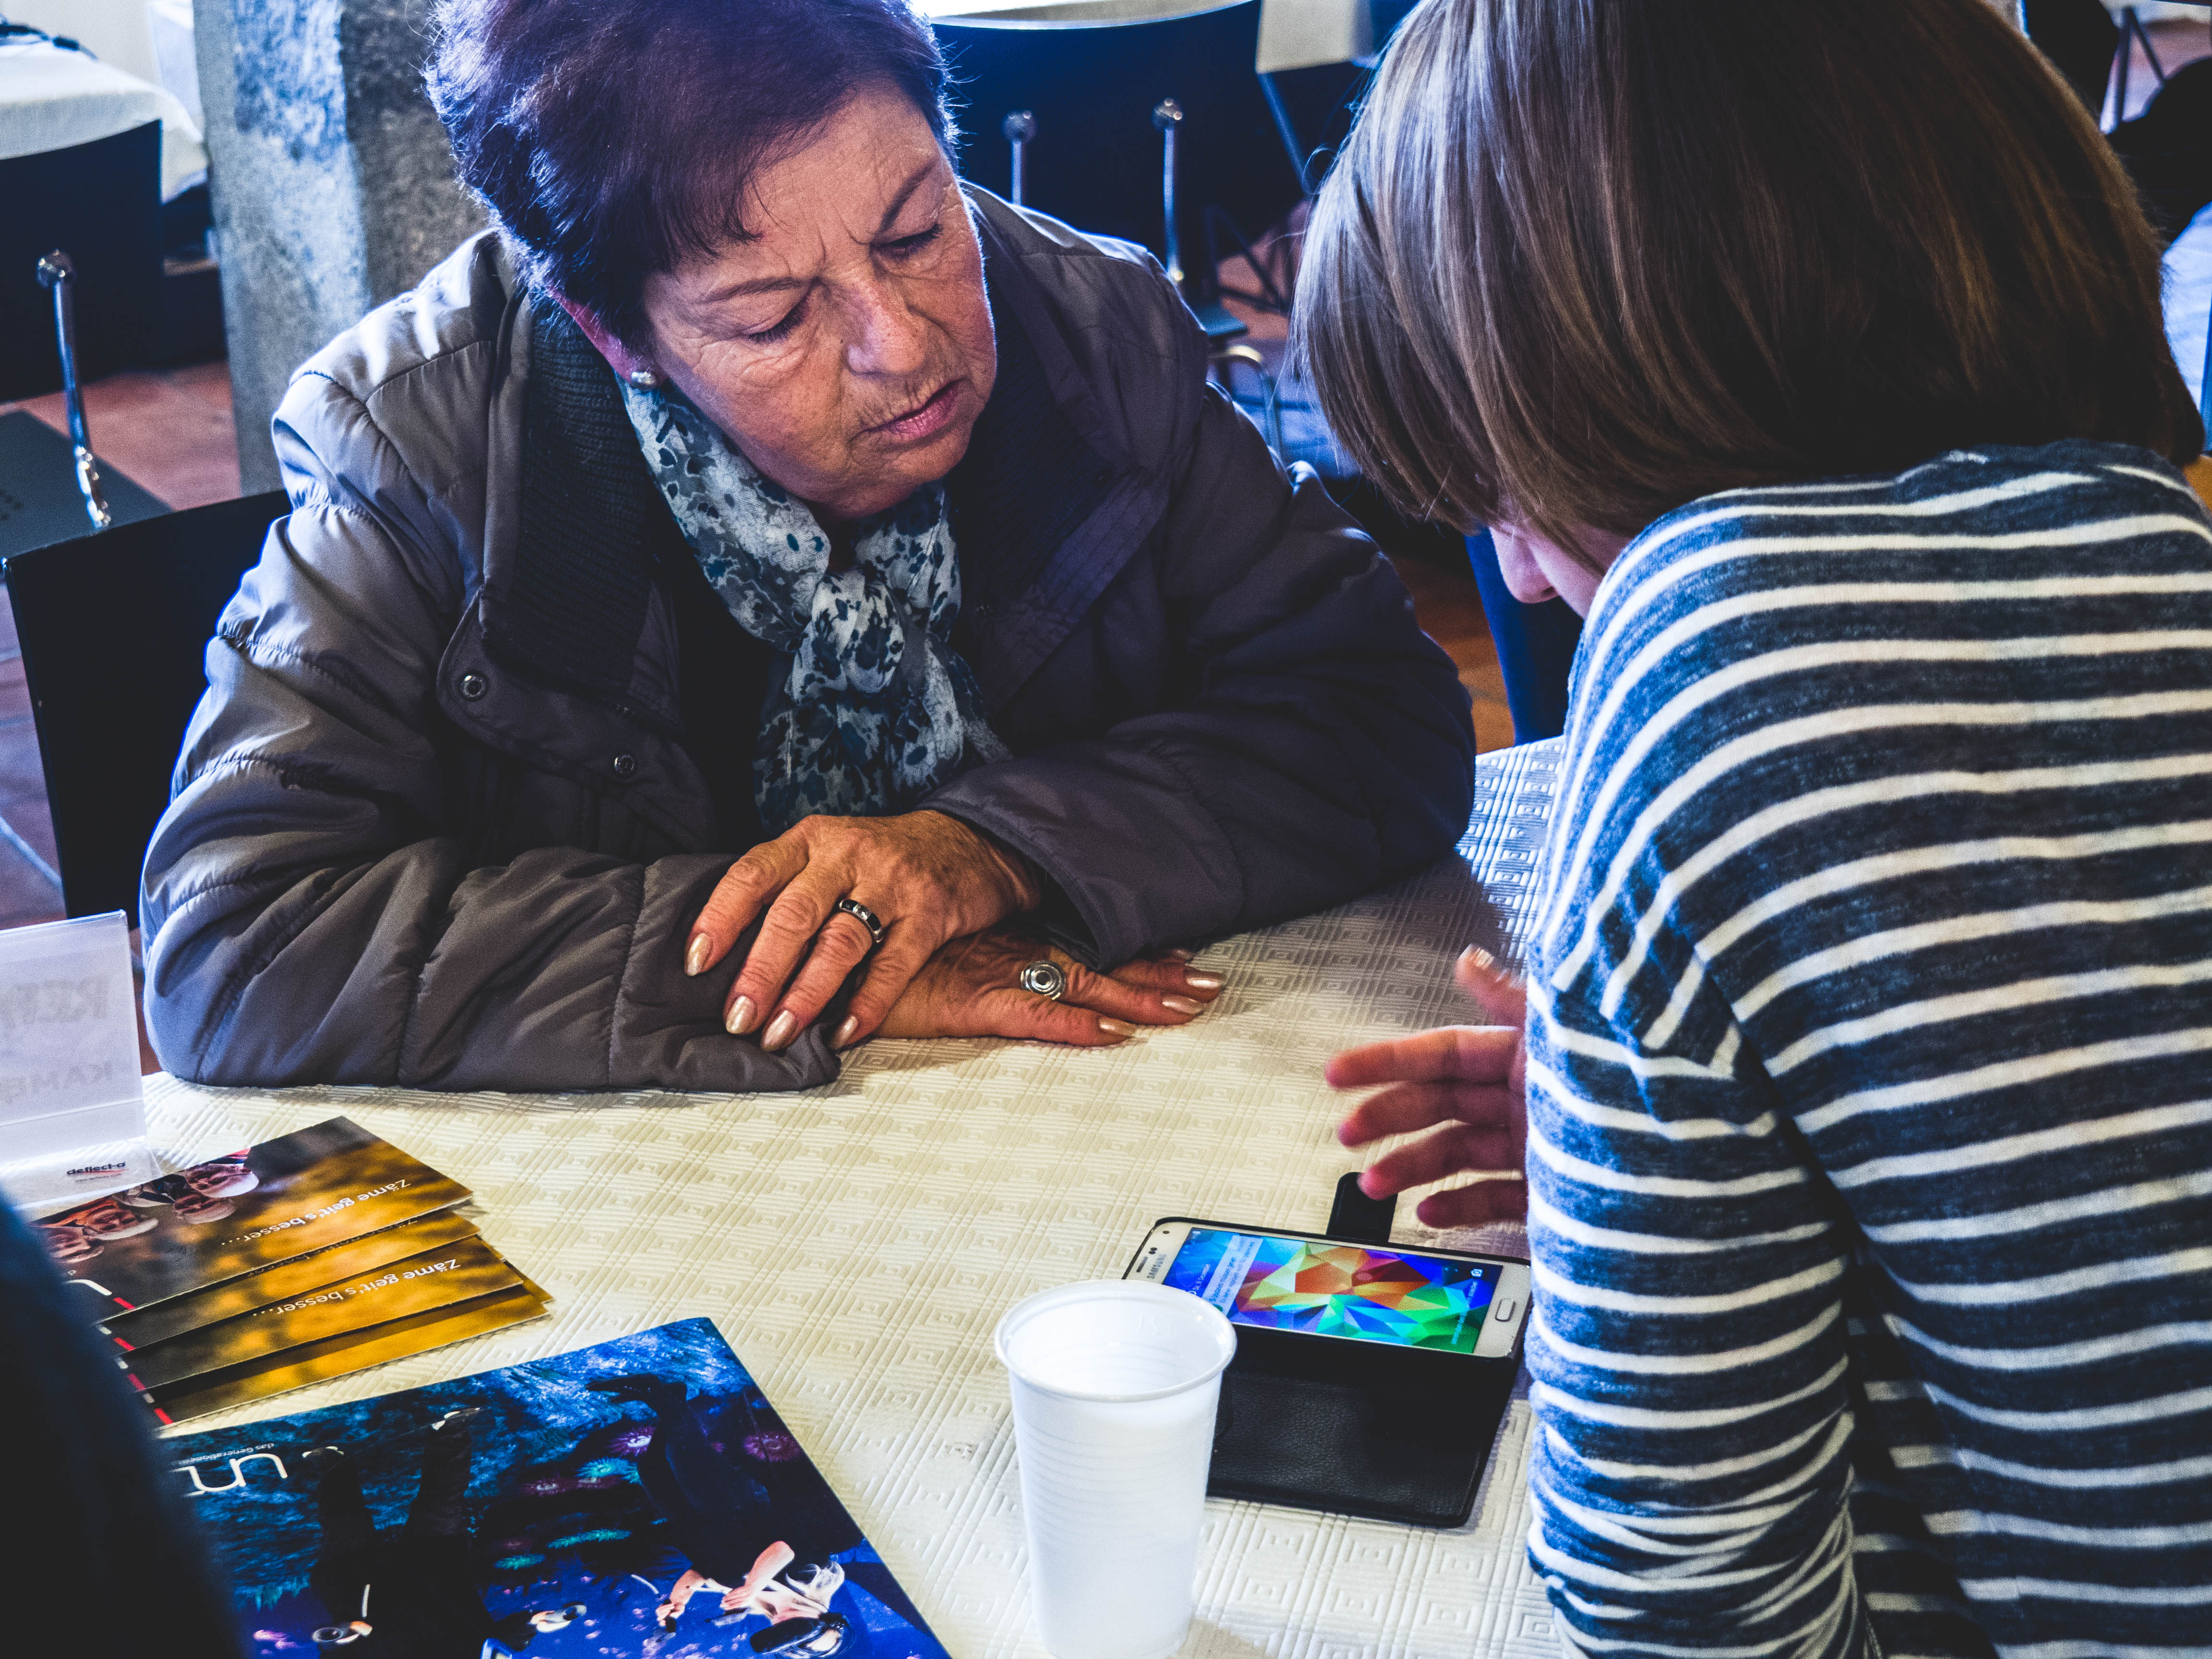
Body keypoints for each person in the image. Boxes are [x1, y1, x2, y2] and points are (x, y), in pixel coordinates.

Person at [1295, 1, 2211, 1656]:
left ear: (1627, 360)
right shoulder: (2162, 546)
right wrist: (1720, 1138)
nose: (1507, 572)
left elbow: (1688, 1611)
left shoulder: (1719, 640)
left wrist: (1640, 1182)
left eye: (1496, 477)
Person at [136, 0, 1476, 1094]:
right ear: (617, 338)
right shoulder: (425, 456)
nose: (903, 345)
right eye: (775, 317)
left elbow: (1377, 719)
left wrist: (986, 851)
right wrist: (816, 956)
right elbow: (238, 941)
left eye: (919, 231)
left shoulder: (1092, 334)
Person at [305, 1409, 575, 1655]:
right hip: (434, 1580)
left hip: (364, 1586)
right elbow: (498, 1643)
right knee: (441, 1506)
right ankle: (450, 1431)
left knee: (346, 1524)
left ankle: (332, 1461)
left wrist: (346, 1638)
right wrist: (532, 1622)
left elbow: (336, 1651)